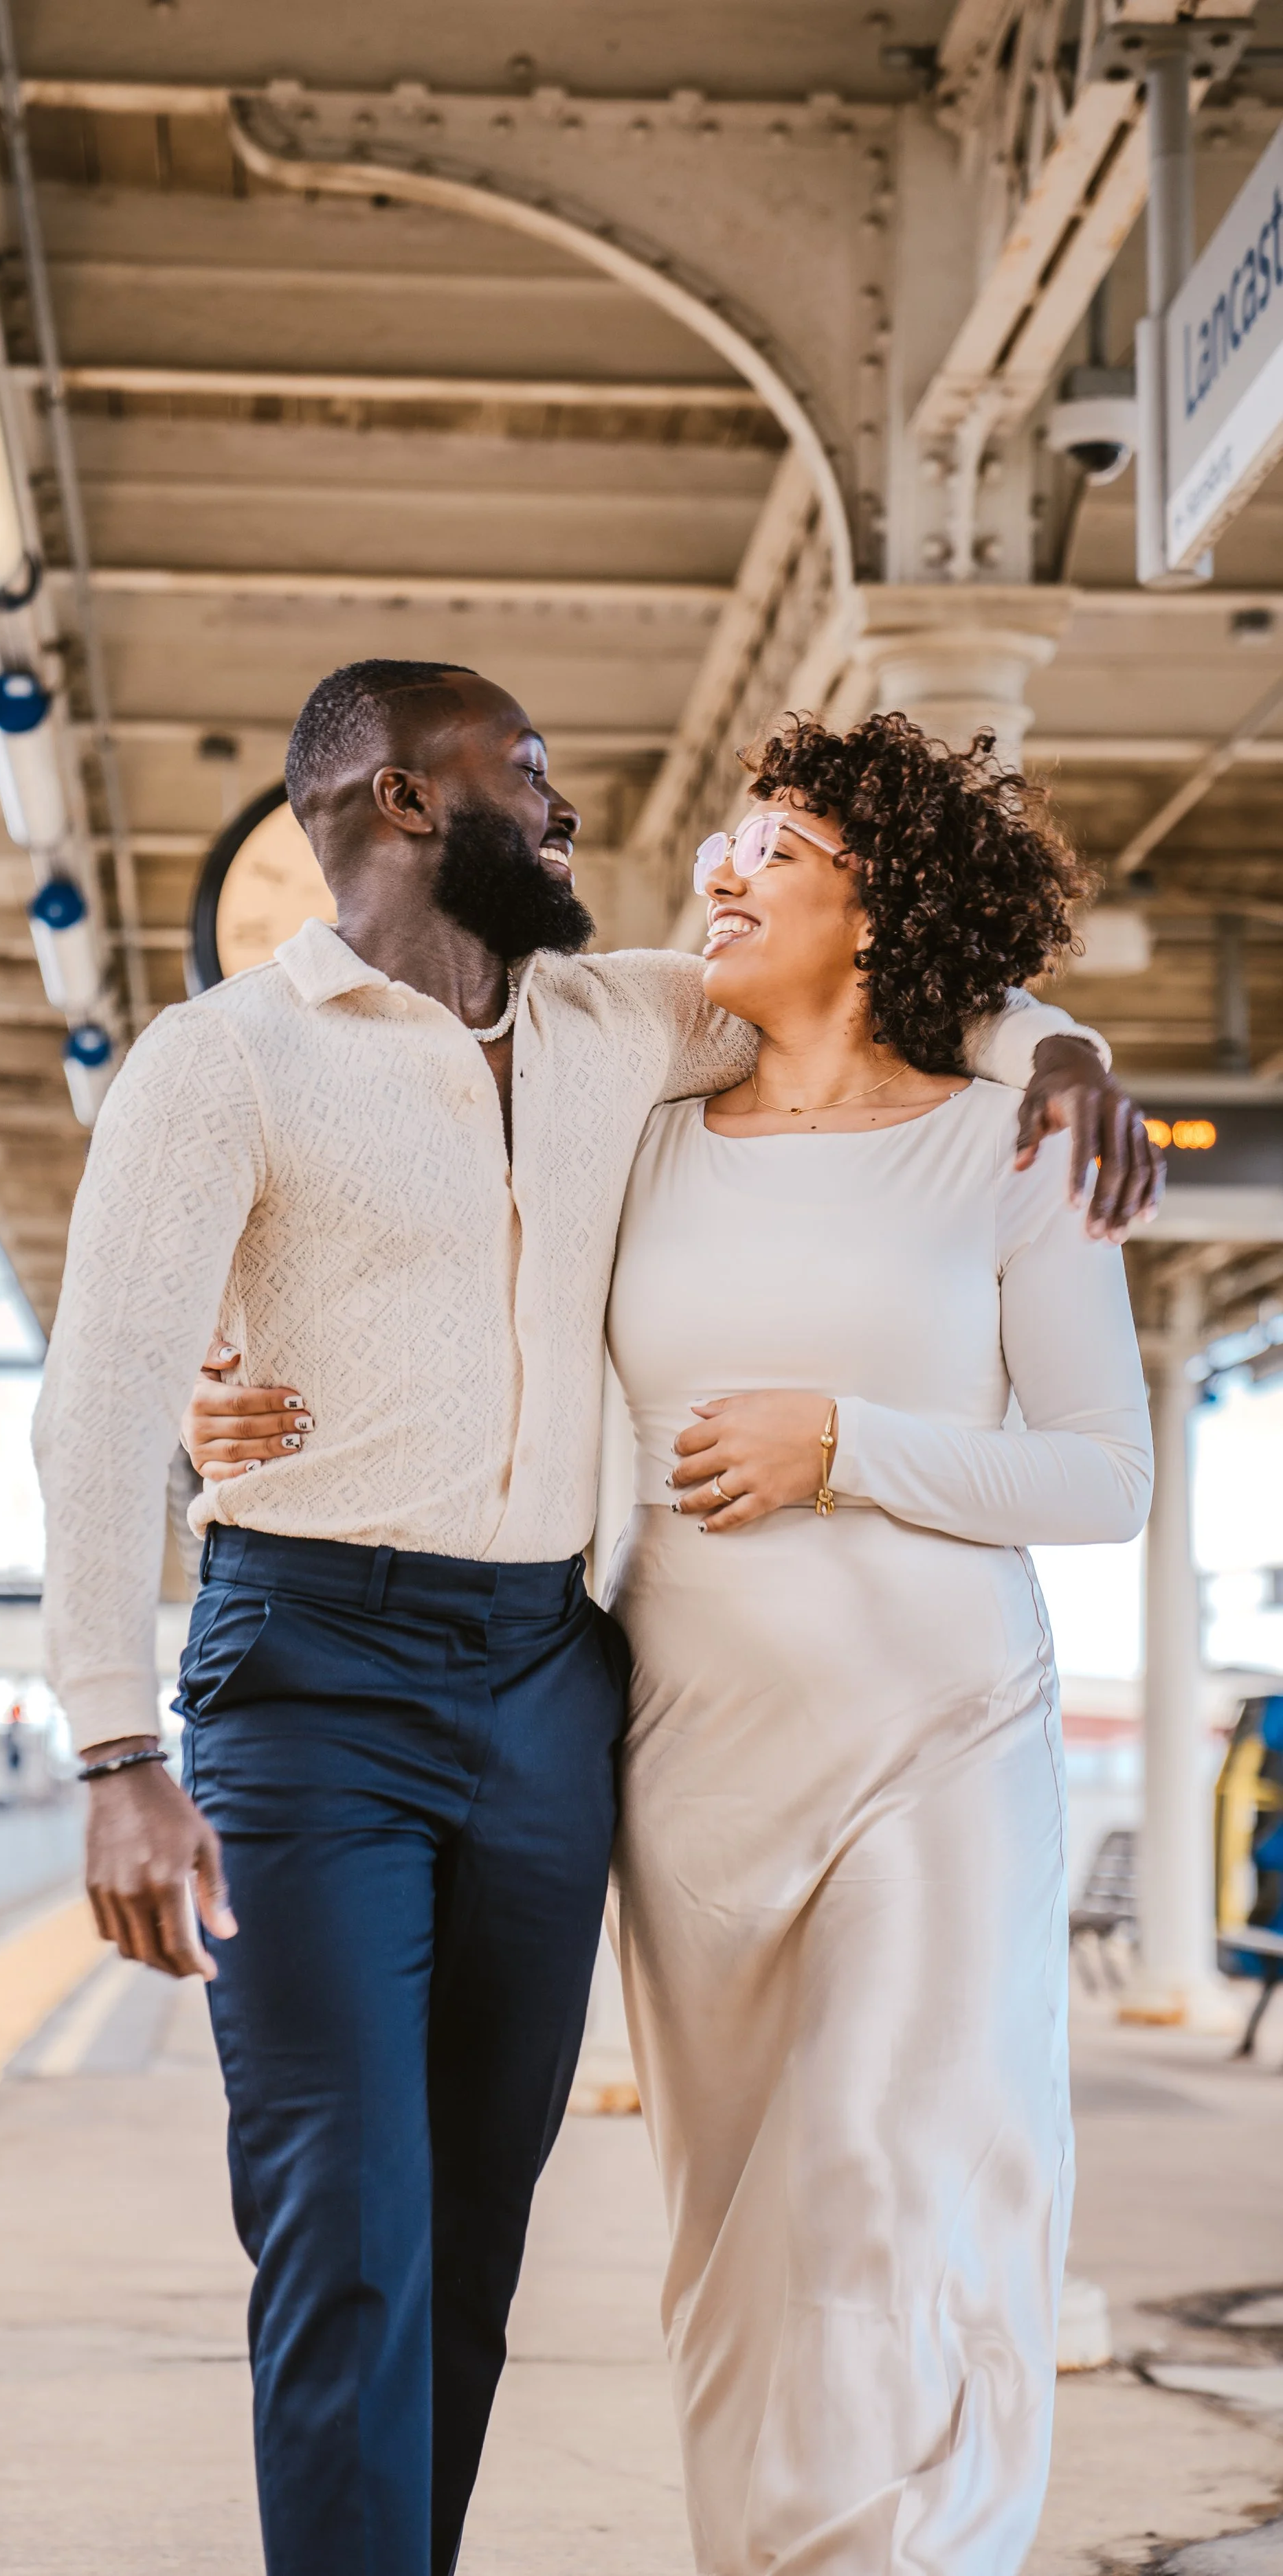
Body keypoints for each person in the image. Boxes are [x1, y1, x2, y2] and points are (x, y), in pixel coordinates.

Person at [33, 660, 1157, 2576]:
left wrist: (1056, 1039)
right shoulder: (221, 1059)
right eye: (526, 779)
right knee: (348, 2210)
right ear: (403, 805)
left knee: (478, 2224)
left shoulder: (618, 1030)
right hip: (315, 1676)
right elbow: (105, 1399)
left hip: (555, 1681)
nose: (572, 819)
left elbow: (887, 984)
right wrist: (118, 1743)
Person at [601, 714, 1150, 2573]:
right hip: (690, 1779)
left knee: (880, 2199)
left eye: (772, 843)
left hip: (934, 1755)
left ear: (876, 905)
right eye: (723, 844)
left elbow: (1099, 1478)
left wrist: (841, 1442)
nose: (720, 872)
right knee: (736, 2263)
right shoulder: (642, 1134)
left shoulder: (1015, 1138)